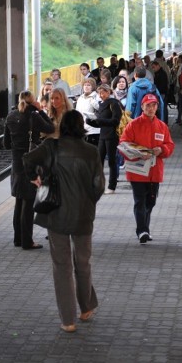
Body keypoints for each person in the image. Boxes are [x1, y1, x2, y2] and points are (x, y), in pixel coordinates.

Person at [23, 110, 105, 333]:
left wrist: (35, 179)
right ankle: (86, 309)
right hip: (83, 215)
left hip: (56, 214)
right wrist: (88, 202)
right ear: (81, 127)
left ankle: (68, 320)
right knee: (83, 262)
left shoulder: (51, 147)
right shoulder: (91, 152)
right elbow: (98, 187)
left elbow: (28, 159)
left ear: (63, 127)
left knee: (62, 266)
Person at [119, 94, 175, 244]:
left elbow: (170, 146)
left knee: (150, 202)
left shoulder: (162, 126)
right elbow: (123, 144)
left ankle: (145, 229)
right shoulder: (133, 125)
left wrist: (161, 149)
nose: (151, 108)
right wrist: (137, 154)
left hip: (154, 172)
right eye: (148, 105)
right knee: (140, 201)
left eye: (154, 105)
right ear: (142, 107)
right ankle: (142, 230)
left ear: (157, 107)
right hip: (137, 172)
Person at [3, 90, 55, 250]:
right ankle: (27, 241)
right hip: (31, 163)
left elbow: (6, 144)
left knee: (19, 201)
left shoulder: (11, 116)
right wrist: (40, 110)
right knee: (28, 203)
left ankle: (18, 238)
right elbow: (51, 128)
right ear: (33, 101)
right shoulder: (34, 115)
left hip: (16, 163)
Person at [86, 84, 122, 194]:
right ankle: (98, 185)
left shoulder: (114, 103)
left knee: (112, 161)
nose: (101, 95)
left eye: (103, 93)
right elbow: (100, 123)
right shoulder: (101, 104)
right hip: (102, 135)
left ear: (108, 92)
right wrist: (91, 121)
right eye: (99, 93)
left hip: (112, 136)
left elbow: (115, 121)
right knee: (99, 161)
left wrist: (100, 121)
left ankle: (112, 186)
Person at [75, 77, 100, 146]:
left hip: (93, 130)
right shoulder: (80, 98)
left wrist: (92, 101)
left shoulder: (96, 96)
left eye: (89, 85)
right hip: (82, 129)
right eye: (85, 85)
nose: (86, 87)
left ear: (93, 87)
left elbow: (99, 108)